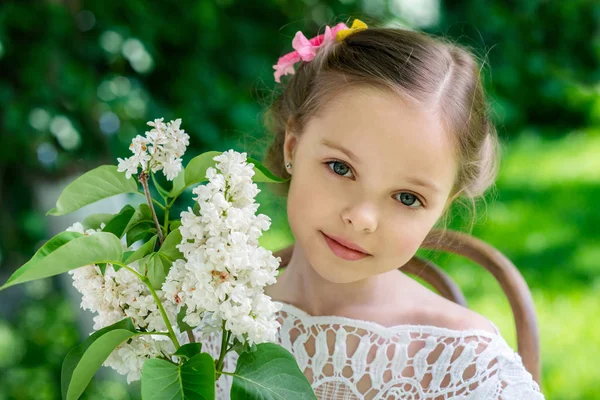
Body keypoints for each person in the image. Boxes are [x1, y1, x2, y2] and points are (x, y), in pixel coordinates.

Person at [201, 18, 545, 399]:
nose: (361, 218)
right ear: (293, 148)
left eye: (407, 198)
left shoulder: (470, 370)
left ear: (443, 206)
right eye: (341, 168)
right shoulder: (204, 320)